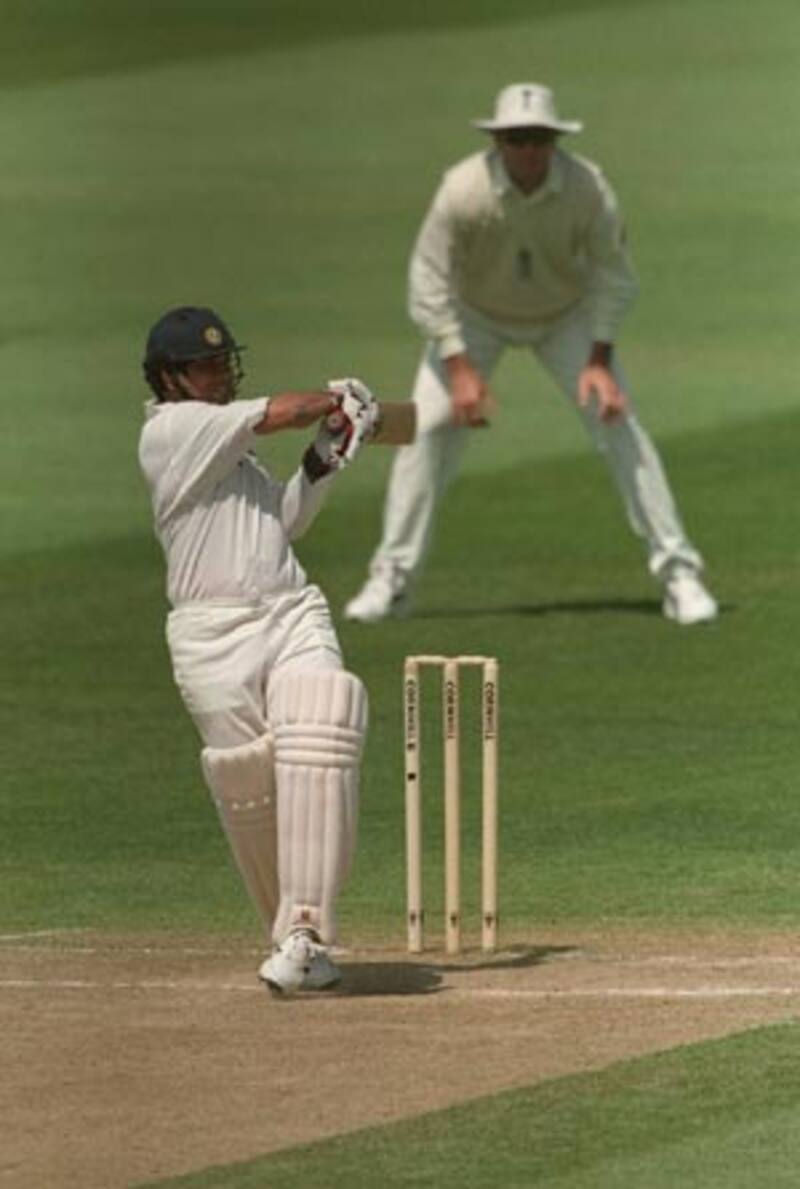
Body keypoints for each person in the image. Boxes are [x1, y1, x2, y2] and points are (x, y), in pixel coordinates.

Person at [344, 83, 718, 626]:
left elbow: (615, 277)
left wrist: (598, 361)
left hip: (565, 316)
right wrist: (459, 367)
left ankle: (680, 574)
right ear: (497, 140)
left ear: (555, 140)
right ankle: (392, 581)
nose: (528, 149)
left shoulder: (588, 188)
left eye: (539, 138)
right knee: (424, 430)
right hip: (473, 318)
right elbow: (427, 280)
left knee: (618, 420)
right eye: (516, 138)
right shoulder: (461, 189)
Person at [138, 305, 379, 996]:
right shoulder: (172, 432)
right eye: (206, 366)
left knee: (322, 717)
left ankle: (306, 931)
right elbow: (274, 412)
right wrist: (334, 400)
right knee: (253, 790)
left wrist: (331, 448)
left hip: (288, 609)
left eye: (224, 363)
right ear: (169, 378)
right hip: (212, 638)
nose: (220, 374)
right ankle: (290, 936)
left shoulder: (229, 446)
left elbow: (284, 521)